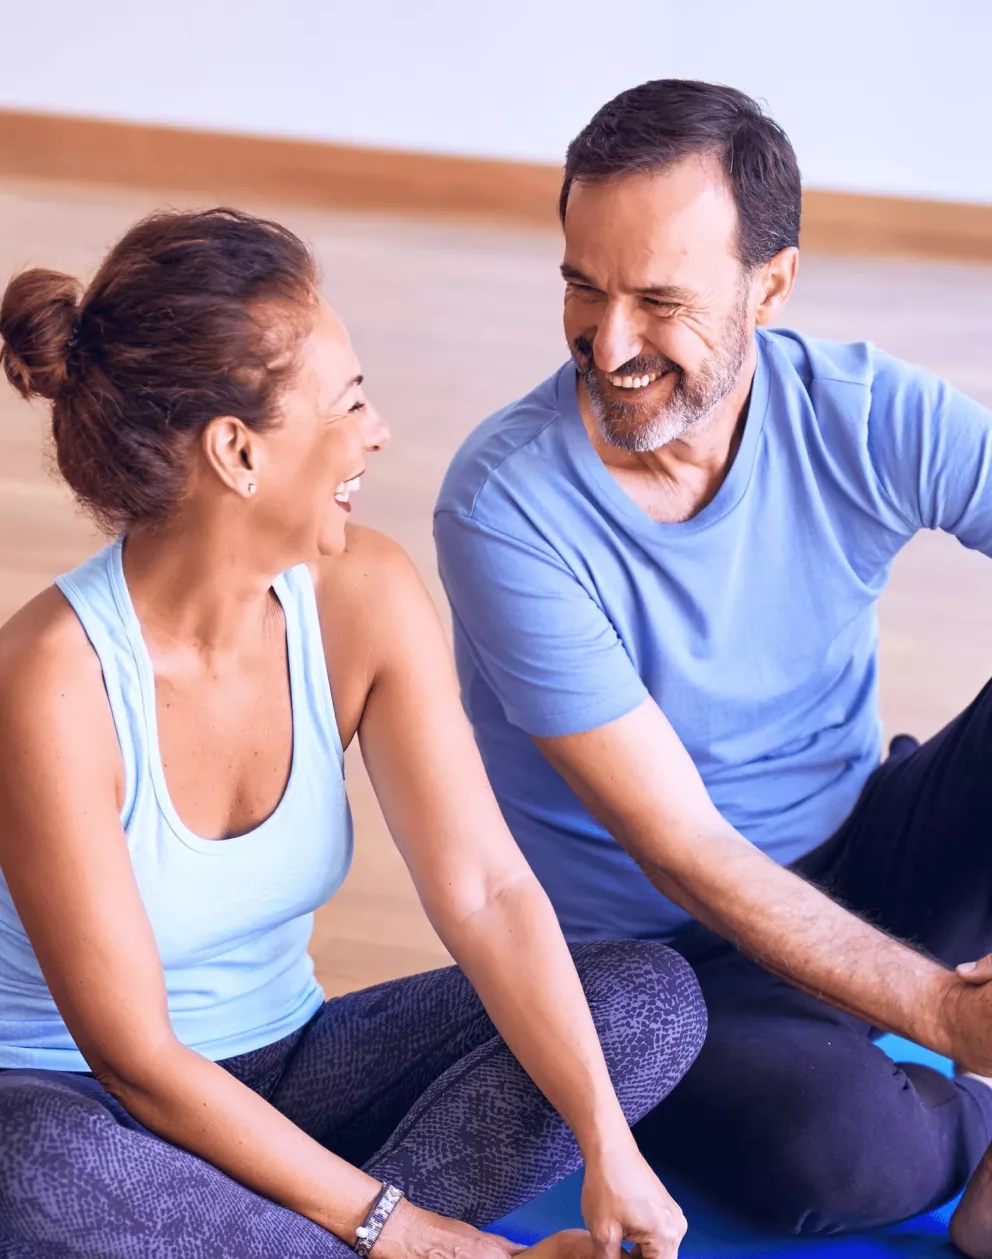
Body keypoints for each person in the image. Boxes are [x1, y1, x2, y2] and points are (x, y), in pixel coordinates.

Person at [0, 208, 707, 1259]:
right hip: (83, 1105)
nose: (377, 432)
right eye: (350, 401)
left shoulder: (363, 594)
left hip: (289, 1070)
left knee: (646, 1006)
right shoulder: (52, 680)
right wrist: (413, 1232)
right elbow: (136, 1059)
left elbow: (487, 890)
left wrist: (608, 1143)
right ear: (237, 451)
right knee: (36, 1170)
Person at [434, 79, 992, 1245]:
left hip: (861, 846)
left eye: (658, 299)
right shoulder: (504, 509)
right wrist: (945, 1018)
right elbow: (683, 851)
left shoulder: (864, 411)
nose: (609, 344)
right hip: (670, 962)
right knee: (847, 1154)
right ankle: (964, 1115)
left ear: (768, 287)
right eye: (582, 288)